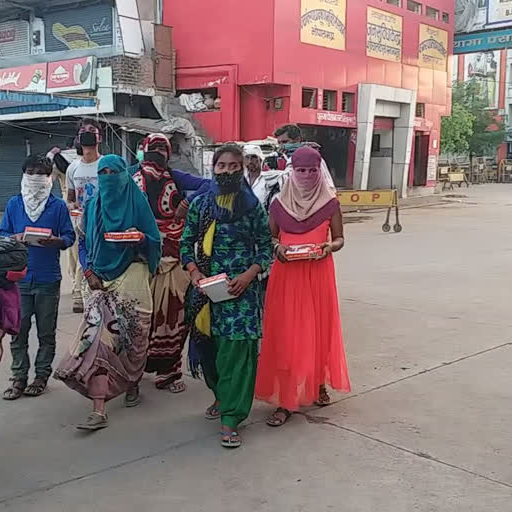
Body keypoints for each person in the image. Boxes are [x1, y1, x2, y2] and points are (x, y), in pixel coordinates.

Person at [54, 155, 162, 431]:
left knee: (133, 337)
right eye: (103, 172)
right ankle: (99, 406)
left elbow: (154, 240)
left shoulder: (137, 204)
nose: (108, 177)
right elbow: (83, 242)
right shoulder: (92, 207)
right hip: (100, 278)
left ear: (125, 175)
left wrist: (140, 239)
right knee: (97, 341)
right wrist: (88, 271)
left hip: (133, 274)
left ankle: (132, 381)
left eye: (114, 172)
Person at [180, 144, 272, 449]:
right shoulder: (200, 205)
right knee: (210, 352)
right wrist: (195, 276)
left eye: (235, 166)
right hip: (207, 292)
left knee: (237, 355)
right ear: (213, 168)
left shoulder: (252, 207)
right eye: (223, 166)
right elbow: (185, 244)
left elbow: (265, 246)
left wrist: (248, 276)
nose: (228, 171)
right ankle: (220, 394)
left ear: (242, 169)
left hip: (241, 293)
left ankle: (231, 418)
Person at [255, 146, 350, 427]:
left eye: (312, 170)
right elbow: (269, 238)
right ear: (292, 172)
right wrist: (278, 248)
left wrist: (327, 247)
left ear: (319, 171)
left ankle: (317, 383)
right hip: (286, 277)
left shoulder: (330, 203)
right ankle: (286, 401)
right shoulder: (279, 205)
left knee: (318, 329)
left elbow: (340, 238)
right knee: (285, 335)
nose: (307, 176)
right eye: (301, 170)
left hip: (318, 274)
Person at [133, 133, 210, 393]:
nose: (157, 156)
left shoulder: (176, 177)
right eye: (152, 150)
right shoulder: (131, 175)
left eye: (161, 150)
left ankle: (171, 370)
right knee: (144, 316)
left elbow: (210, 185)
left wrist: (187, 201)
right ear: (143, 151)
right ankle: (137, 367)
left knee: (174, 317)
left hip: (175, 258)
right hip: (141, 257)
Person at [0, 154, 76, 400]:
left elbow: (69, 237)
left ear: (49, 178)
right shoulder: (14, 205)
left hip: (47, 278)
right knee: (17, 331)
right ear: (24, 176)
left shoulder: (58, 206)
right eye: (31, 173)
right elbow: (2, 234)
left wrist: (55, 241)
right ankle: (18, 377)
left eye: (41, 174)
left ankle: (41, 375)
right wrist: (16, 238)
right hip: (19, 279)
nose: (36, 179)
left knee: (46, 332)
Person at [66, 119, 103, 313]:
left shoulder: (105, 164)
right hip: (80, 223)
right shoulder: (72, 168)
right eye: (83, 130)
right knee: (81, 260)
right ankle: (79, 296)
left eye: (92, 130)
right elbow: (70, 197)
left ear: (100, 137)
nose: (87, 133)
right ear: (78, 139)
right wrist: (72, 207)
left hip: (103, 222)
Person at [274, 124, 336, 192]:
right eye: (279, 143)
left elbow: (327, 183)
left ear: (297, 139)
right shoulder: (277, 158)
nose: (281, 146)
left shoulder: (313, 157)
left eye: (284, 142)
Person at [244, 144, 289, 211]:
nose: (250, 161)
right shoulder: (241, 180)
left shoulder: (269, 177)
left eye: (254, 157)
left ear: (260, 159)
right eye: (247, 157)